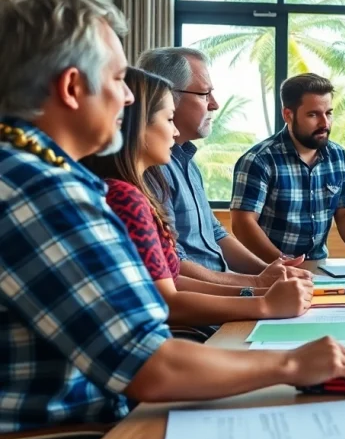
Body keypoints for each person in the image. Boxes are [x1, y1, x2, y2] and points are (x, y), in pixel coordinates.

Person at [0, 0, 345, 439]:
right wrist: (292, 365)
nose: (130, 95)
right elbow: (153, 366)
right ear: (71, 88)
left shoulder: (37, 174)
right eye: (116, 78)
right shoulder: (42, 192)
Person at [81, 68, 314, 325]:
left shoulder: (155, 181)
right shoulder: (124, 196)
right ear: (137, 125)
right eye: (169, 119)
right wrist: (263, 301)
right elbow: (167, 301)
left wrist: (259, 289)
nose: (176, 132)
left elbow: (173, 277)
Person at [138, 47, 309, 294]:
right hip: (204, 305)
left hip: (226, 288)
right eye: (204, 94)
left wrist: (268, 271)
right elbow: (174, 266)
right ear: (165, 96)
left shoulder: (187, 160)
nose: (215, 104)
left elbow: (216, 233)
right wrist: (258, 286)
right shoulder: (151, 169)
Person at [230, 73, 345, 267]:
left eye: (328, 113)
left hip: (319, 267)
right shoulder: (259, 160)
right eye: (313, 115)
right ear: (288, 115)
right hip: (265, 268)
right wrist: (281, 262)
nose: (324, 123)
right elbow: (243, 223)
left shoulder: (338, 157)